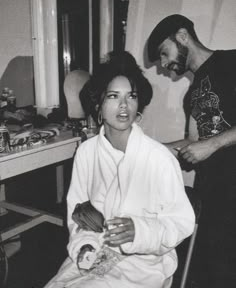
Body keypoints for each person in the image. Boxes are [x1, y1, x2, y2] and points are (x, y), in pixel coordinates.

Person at [44, 51, 194, 288]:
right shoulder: (86, 153)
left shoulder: (159, 159)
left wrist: (140, 231)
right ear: (98, 104)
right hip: (95, 253)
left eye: (131, 96)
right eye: (113, 96)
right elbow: (80, 213)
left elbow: (180, 223)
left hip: (143, 263)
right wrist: (85, 244)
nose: (124, 105)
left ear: (139, 104)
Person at [147, 14, 236, 287]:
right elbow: (193, 141)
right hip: (214, 195)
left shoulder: (232, 62)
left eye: (164, 52)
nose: (163, 64)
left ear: (183, 37)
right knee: (217, 271)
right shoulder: (193, 93)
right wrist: (152, 150)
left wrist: (212, 145)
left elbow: (207, 144)